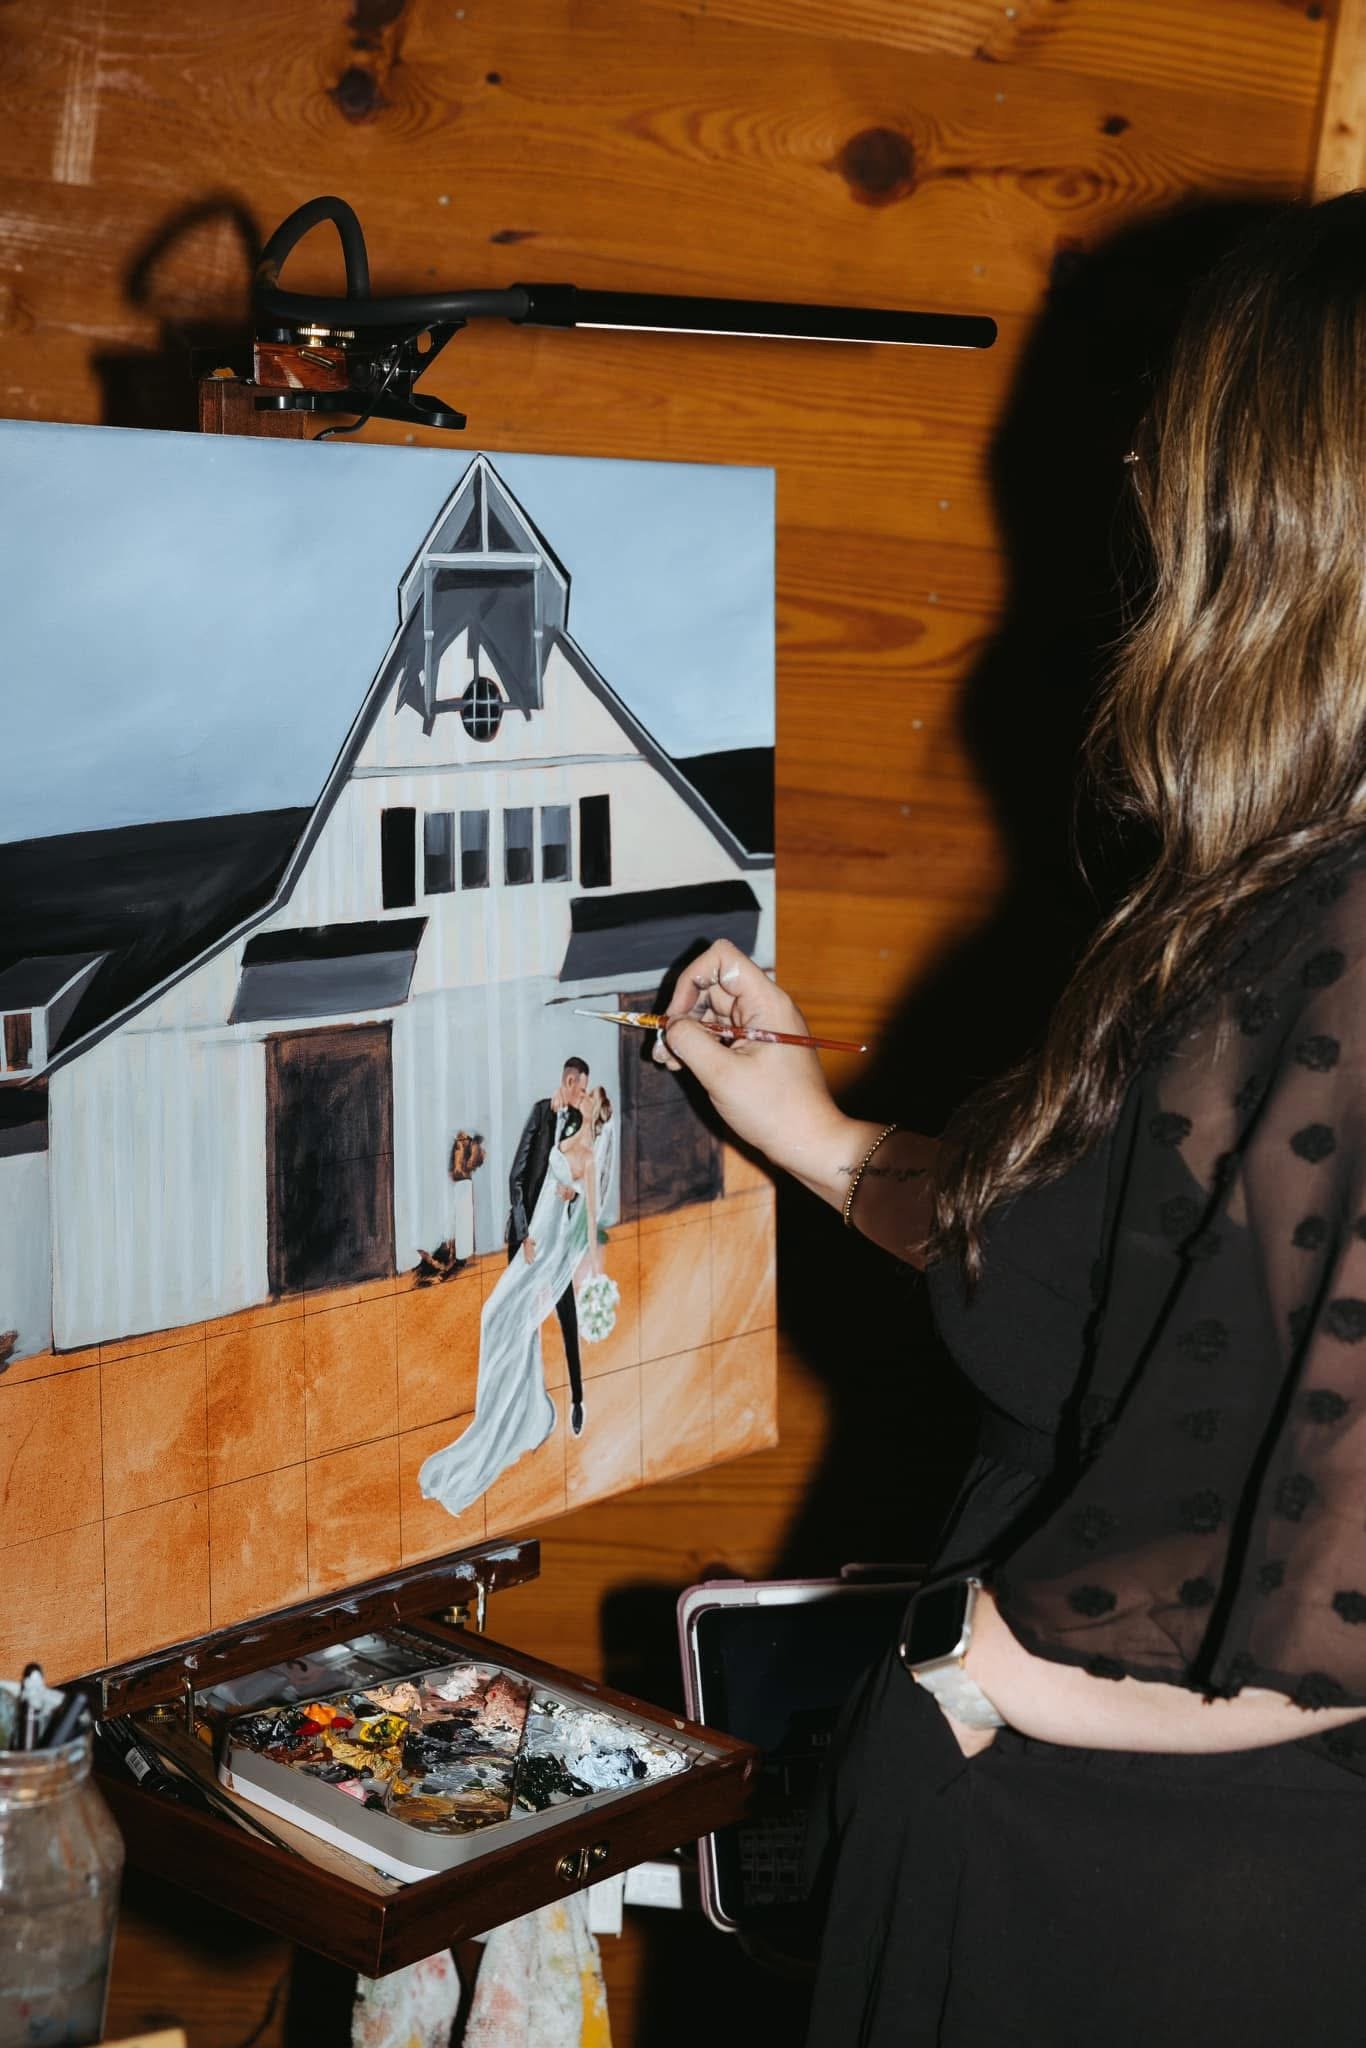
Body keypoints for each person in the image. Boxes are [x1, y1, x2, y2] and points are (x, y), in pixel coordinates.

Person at [657, 194, 1366, 2046]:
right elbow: (1090, 1258)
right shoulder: (1274, 887)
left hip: (1153, 1893)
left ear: (1293, 503)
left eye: (1186, 435)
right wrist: (806, 1126)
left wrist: (1003, 1679)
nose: (1144, 476)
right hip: (1084, 1841)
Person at [419, 1086, 614, 1519]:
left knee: (500, 1317)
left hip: (549, 1251)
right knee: (499, 1320)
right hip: (533, 1239)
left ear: (595, 1111)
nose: (580, 1098)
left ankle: (506, 1420)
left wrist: (575, 1207)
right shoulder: (566, 1135)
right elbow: (533, 1180)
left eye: (588, 1099)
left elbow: (590, 1217)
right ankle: (516, 1412)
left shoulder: (588, 1157)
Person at [507, 1056, 591, 1435]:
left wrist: (571, 1194)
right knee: (522, 1322)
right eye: (582, 1088)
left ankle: (577, 1398)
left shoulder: (576, 1123)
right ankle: (522, 1401)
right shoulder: (541, 1114)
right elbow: (517, 1177)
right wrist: (524, 1235)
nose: (583, 1095)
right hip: (529, 1238)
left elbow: (578, 1182)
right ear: (569, 1081)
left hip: (556, 1235)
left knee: (567, 1314)